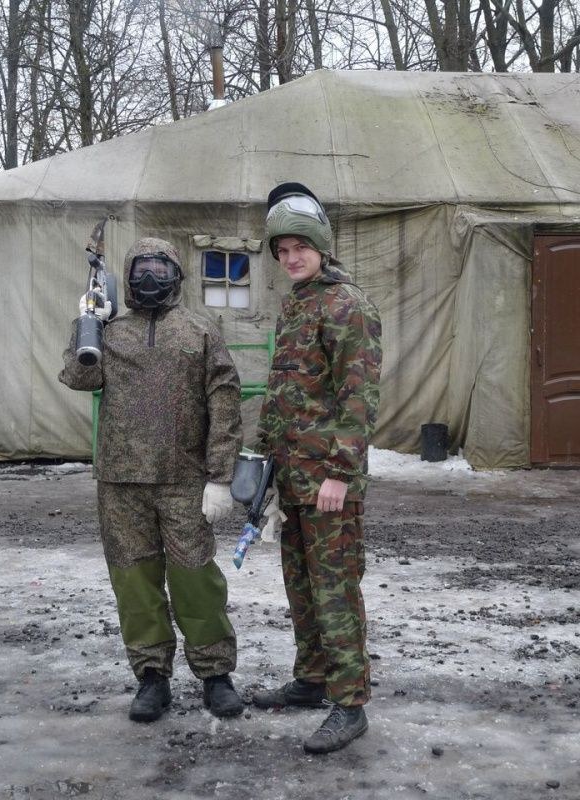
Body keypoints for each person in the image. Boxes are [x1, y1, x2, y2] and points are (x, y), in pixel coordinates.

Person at [59, 237, 244, 723]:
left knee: (196, 579)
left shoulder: (200, 331)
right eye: (140, 269)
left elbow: (225, 405)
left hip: (184, 480)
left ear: (176, 275)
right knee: (134, 582)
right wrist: (88, 323)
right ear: (126, 275)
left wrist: (220, 476)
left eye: (160, 270)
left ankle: (215, 675)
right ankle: (152, 677)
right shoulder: (111, 332)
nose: (149, 278)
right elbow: (79, 378)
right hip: (121, 482)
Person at [253, 184, 382, 754]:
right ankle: (311, 679)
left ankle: (350, 704)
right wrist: (262, 459)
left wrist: (340, 473)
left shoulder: (346, 305)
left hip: (329, 482)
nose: (290, 258)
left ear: (321, 246)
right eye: (282, 251)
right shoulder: (297, 304)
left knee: (335, 591)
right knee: (301, 586)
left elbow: (360, 398)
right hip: (291, 478)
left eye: (299, 247)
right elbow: (285, 390)